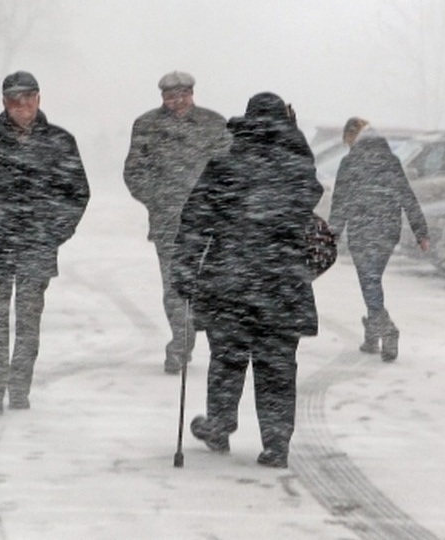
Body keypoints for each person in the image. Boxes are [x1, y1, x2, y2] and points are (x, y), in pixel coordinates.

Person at [171, 92, 322, 468]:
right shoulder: (297, 169)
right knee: (278, 366)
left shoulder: (224, 167)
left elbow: (194, 222)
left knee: (228, 357)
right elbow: (308, 195)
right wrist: (292, 131)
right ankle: (275, 442)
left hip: (230, 278)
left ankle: (220, 426)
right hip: (281, 280)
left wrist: (185, 270)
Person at [0, 70, 91, 417]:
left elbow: (77, 194)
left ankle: (20, 386)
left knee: (28, 320)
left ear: (39, 99)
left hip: (36, 246)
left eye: (28, 99)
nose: (22, 107)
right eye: (14, 101)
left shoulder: (59, 142)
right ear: (4, 103)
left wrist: (54, 231)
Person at [123, 71, 231, 375]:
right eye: (170, 97)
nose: (177, 101)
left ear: (193, 94)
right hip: (168, 221)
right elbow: (134, 171)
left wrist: (217, 200)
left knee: (208, 285)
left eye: (182, 95)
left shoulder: (214, 123)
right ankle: (180, 345)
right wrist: (158, 198)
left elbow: (230, 169)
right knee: (174, 287)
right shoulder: (147, 125)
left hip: (210, 222)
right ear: (162, 98)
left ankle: (203, 334)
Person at [328, 117, 429, 362]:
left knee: (369, 281)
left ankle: (387, 330)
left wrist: (332, 234)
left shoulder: (350, 162)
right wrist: (421, 231)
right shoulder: (390, 160)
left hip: (363, 230)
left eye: (348, 142)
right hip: (387, 231)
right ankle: (372, 335)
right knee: (371, 280)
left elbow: (340, 201)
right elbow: (407, 195)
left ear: (353, 136)